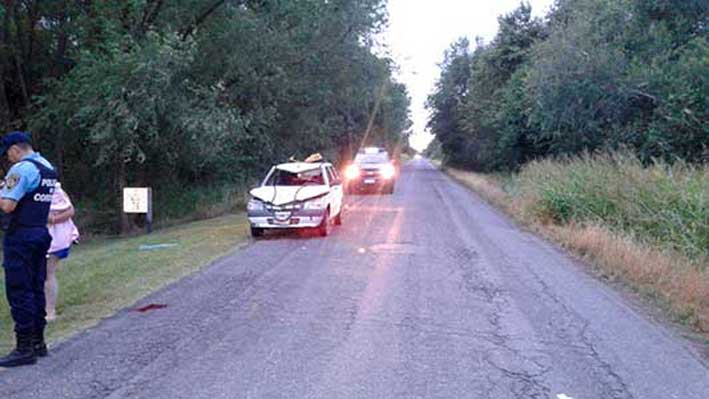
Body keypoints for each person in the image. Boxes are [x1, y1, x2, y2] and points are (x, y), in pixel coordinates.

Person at [0, 131, 57, 368]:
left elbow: (8, 205)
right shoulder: (47, 167)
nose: (8, 160)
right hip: (40, 233)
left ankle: (24, 348)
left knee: (19, 290)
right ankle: (38, 342)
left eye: (7, 155)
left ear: (15, 149)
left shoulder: (21, 169)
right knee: (36, 287)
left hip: (20, 236)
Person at [45, 182, 79, 322]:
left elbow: (70, 211)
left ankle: (50, 311)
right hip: (36, 236)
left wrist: (52, 219)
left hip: (54, 237)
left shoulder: (54, 188)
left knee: (47, 273)